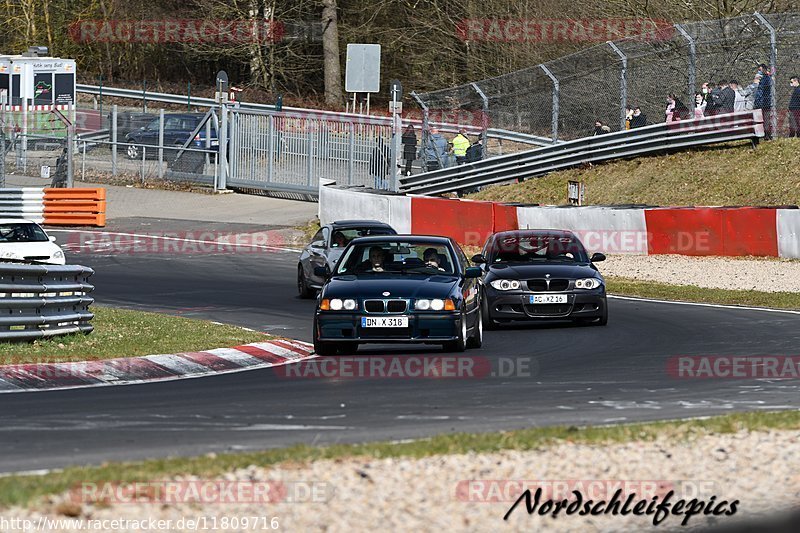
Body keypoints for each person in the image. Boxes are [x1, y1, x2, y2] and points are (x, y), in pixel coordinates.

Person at [755, 64, 774, 138]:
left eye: (760, 70)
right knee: (762, 119)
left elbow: (763, 90)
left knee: (766, 119)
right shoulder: (762, 78)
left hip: (765, 102)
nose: (759, 72)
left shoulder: (766, 78)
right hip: (760, 102)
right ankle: (764, 133)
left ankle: (767, 134)